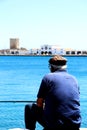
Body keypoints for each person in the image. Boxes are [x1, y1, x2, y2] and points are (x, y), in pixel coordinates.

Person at [24, 55, 81, 130]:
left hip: (56, 126)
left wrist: (46, 107)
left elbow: (39, 103)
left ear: (51, 67)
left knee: (29, 107)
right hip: (75, 125)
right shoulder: (74, 79)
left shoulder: (48, 77)